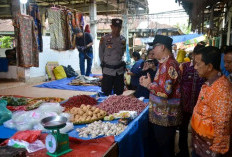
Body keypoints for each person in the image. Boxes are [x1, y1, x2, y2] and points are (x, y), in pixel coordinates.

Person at [140, 35, 182, 157]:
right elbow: (162, 86)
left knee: (165, 150)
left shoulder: (169, 65)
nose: (153, 50)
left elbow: (165, 92)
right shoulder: (164, 63)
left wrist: (149, 85)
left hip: (165, 118)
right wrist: (149, 83)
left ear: (162, 47)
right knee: (161, 148)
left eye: (154, 47)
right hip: (161, 116)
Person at [191, 46, 232, 157]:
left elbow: (222, 125)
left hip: (209, 150)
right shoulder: (211, 83)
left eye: (198, 64)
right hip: (200, 145)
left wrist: (216, 152)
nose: (195, 67)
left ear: (209, 66)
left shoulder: (221, 89)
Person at [177, 44, 205, 157]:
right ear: (193, 55)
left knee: (197, 131)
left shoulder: (204, 68)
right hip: (184, 105)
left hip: (199, 107)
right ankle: (182, 152)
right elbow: (178, 84)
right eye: (196, 55)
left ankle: (195, 151)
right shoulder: (184, 66)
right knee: (183, 130)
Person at [99, 18, 126, 96]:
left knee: (119, 93)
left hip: (119, 72)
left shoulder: (123, 39)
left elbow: (122, 53)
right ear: (111, 27)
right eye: (115, 27)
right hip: (108, 71)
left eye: (119, 27)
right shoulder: (104, 39)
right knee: (106, 92)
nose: (117, 29)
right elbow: (101, 53)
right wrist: (103, 65)